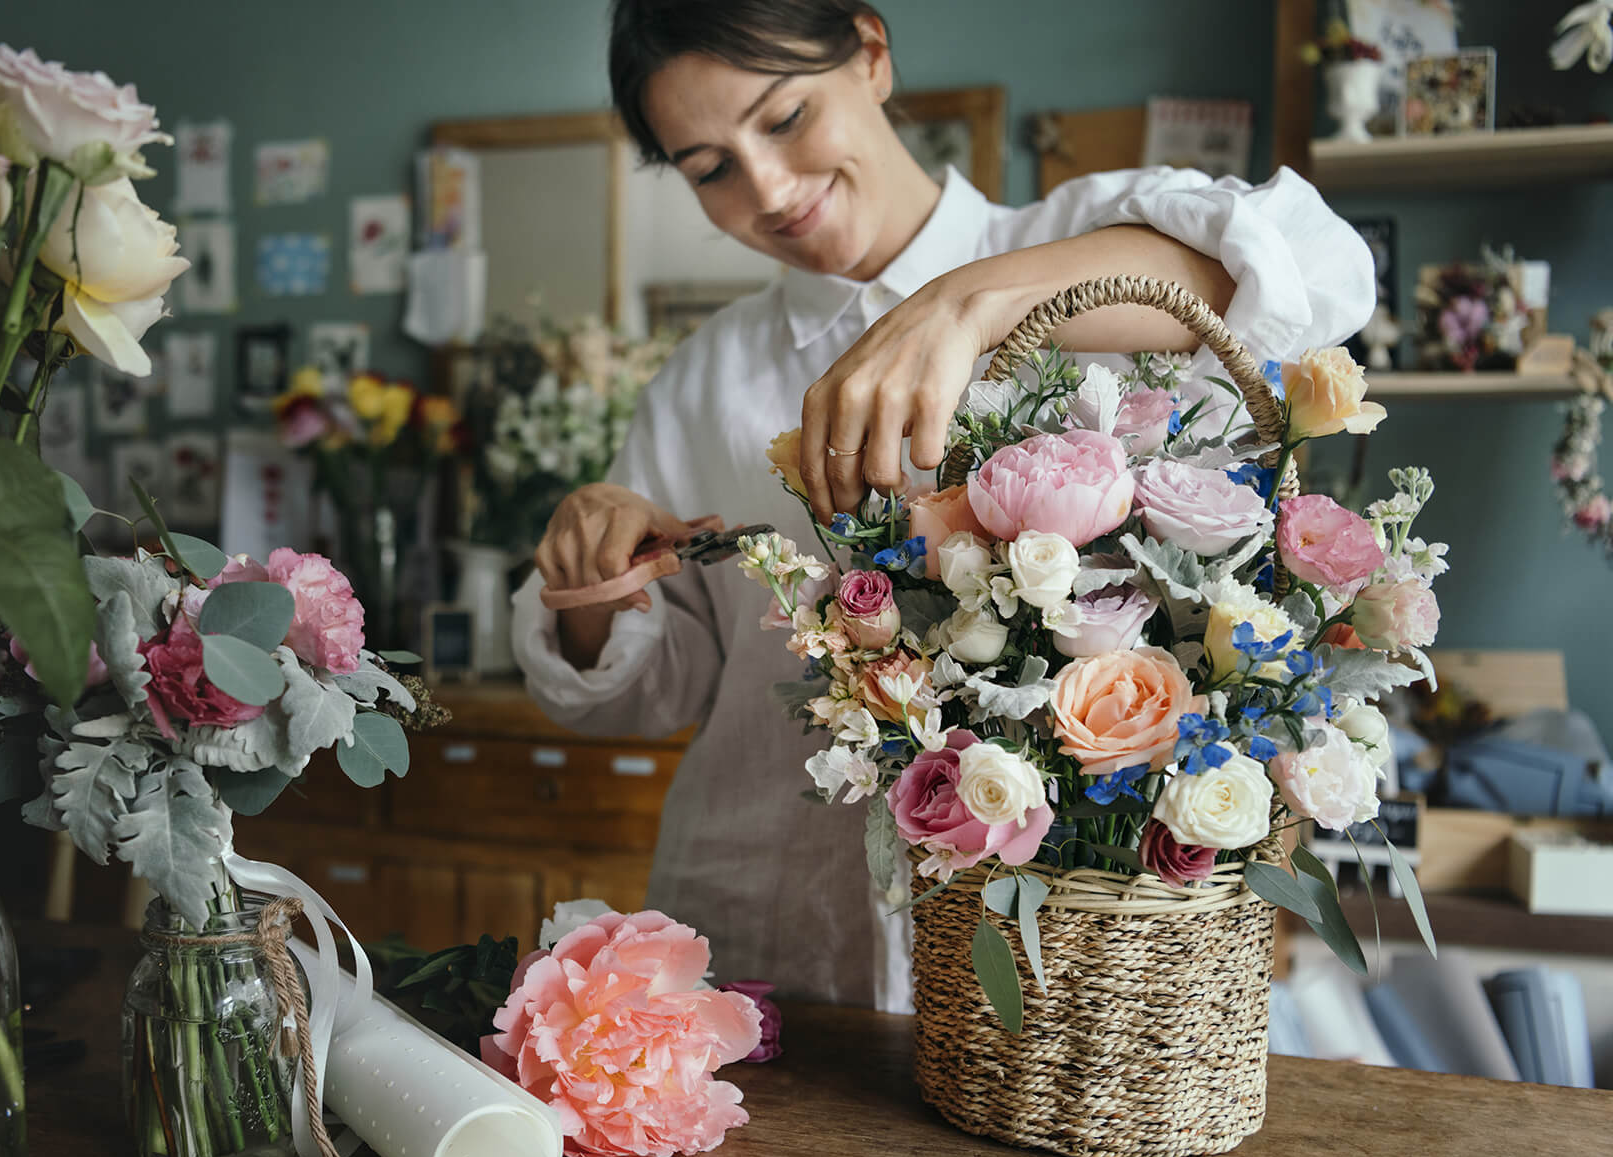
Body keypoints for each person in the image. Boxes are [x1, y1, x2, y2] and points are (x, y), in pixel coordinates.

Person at [512, 0, 1374, 1011]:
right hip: (766, 929)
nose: (770, 189)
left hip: (1064, 953)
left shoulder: (1077, 239)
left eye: (785, 118)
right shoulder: (702, 379)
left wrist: (962, 300)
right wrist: (588, 583)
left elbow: (1316, 270)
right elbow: (655, 690)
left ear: (871, 55)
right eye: (709, 169)